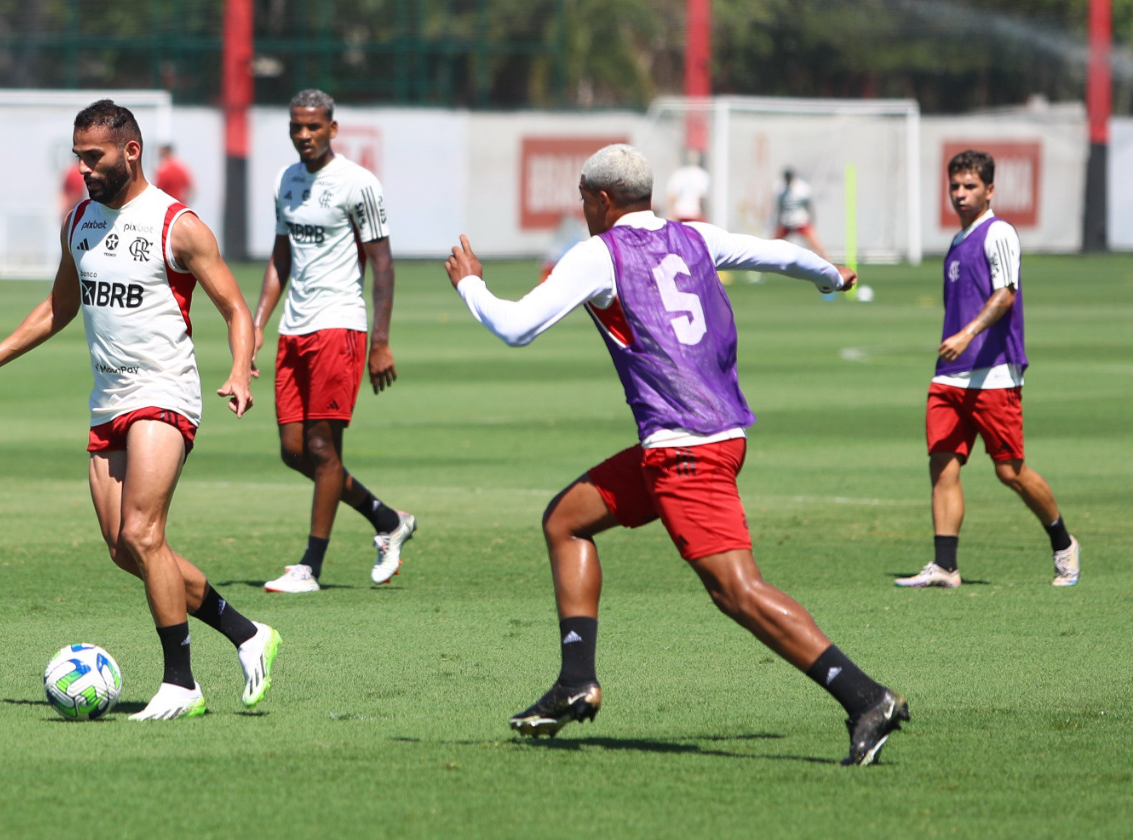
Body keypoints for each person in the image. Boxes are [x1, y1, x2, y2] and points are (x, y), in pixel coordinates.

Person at [444, 144, 908, 766]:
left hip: (683, 448)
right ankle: (577, 680)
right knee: (567, 520)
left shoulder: (598, 255)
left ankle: (865, 698)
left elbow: (515, 327)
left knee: (737, 591)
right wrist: (831, 276)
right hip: (711, 435)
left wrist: (470, 283)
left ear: (602, 200)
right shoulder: (694, 238)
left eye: (583, 197)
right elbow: (777, 254)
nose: (581, 209)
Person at [0, 100, 282, 721]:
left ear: (130, 151)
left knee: (142, 532)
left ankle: (181, 683)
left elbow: (233, 307)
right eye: (77, 158)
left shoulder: (177, 224)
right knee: (127, 549)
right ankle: (248, 633)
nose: (82, 170)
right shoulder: (78, 222)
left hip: (165, 393)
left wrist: (238, 368)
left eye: (92, 157)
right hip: (108, 402)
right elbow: (58, 307)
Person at [252, 89, 415, 594]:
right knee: (294, 450)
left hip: (339, 324)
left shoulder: (358, 184)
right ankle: (387, 519)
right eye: (297, 127)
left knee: (323, 447)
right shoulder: (286, 180)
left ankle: (310, 566)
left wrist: (380, 341)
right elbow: (281, 256)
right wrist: (257, 323)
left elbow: (383, 264)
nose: (304, 135)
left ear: (332, 128)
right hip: (294, 329)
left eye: (314, 127)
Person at [895, 150, 1079, 589]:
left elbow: (1005, 295)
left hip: (994, 372)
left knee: (1010, 471)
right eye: (955, 186)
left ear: (990, 190)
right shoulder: (958, 242)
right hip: (949, 376)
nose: (960, 194)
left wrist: (966, 335)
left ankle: (1064, 543)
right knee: (943, 465)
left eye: (970, 186)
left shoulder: (999, 234)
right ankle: (945, 566)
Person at [774, 167, 829, 260]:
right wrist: (778, 223)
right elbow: (780, 208)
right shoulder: (780, 189)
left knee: (816, 245)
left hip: (801, 221)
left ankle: (829, 262)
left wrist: (812, 222)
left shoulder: (802, 189)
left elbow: (809, 206)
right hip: (786, 222)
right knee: (773, 243)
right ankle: (764, 265)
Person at [664, 150, 710, 222]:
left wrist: (670, 214)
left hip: (679, 213)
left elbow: (672, 197)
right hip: (694, 213)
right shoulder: (702, 175)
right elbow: (701, 199)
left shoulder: (678, 174)